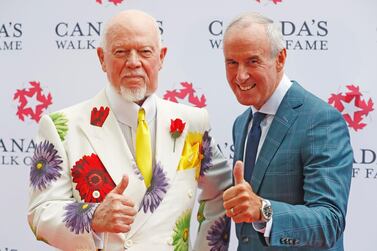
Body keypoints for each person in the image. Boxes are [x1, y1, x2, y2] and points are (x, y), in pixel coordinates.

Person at [28, 9, 232, 251]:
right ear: (102, 58)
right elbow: (40, 212)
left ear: (161, 57)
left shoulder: (192, 124)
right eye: (121, 52)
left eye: (145, 52)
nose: (133, 62)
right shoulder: (63, 127)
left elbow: (222, 194)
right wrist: (92, 216)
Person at [222, 12, 353, 251]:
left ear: (280, 58)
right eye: (232, 62)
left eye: (252, 61)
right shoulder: (242, 123)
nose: (240, 75)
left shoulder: (320, 119)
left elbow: (330, 222)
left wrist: (264, 210)